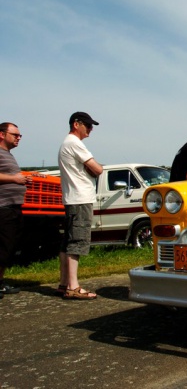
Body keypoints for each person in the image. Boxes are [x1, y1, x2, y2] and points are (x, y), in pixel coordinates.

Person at [58, 112, 103, 299]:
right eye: (87, 125)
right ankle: (73, 287)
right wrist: (93, 169)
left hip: (72, 198)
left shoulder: (66, 143)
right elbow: (98, 169)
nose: (90, 129)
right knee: (77, 242)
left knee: (68, 242)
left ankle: (64, 283)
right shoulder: (75, 143)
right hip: (80, 198)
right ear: (76, 124)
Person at [0, 122, 32, 299]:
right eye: (15, 134)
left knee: (8, 248)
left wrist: (22, 181)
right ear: (2, 134)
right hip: (3, 207)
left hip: (13, 207)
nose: (19, 138)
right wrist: (14, 178)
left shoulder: (8, 155)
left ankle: (0, 282)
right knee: (3, 248)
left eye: (20, 135)